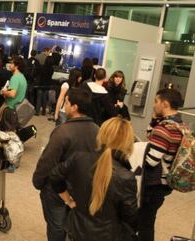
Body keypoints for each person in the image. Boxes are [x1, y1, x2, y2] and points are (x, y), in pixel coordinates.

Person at [49, 117, 138, 241]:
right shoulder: (126, 177)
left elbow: (54, 176)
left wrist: (68, 200)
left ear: (101, 135)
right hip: (108, 235)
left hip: (76, 230)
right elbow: (130, 216)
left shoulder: (78, 158)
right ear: (128, 142)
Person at [33, 88, 99, 241]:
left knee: (56, 226)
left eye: (67, 102)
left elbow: (47, 161)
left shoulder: (63, 132)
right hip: (83, 189)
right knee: (72, 224)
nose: (64, 105)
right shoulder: (98, 131)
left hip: (57, 189)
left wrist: (38, 181)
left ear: (75, 107)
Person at [138, 88, 184, 241]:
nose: (154, 105)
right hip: (165, 183)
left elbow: (151, 160)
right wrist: (154, 121)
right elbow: (152, 138)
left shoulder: (165, 129)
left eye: (156, 102)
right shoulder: (179, 125)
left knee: (145, 223)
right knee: (147, 221)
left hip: (154, 185)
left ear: (165, 104)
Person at [0, 55, 27, 132]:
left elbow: (12, 94)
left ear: (17, 66)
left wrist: (3, 92)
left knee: (6, 133)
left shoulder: (15, 78)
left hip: (10, 108)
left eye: (11, 63)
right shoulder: (22, 77)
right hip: (17, 109)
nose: (9, 65)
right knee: (12, 132)